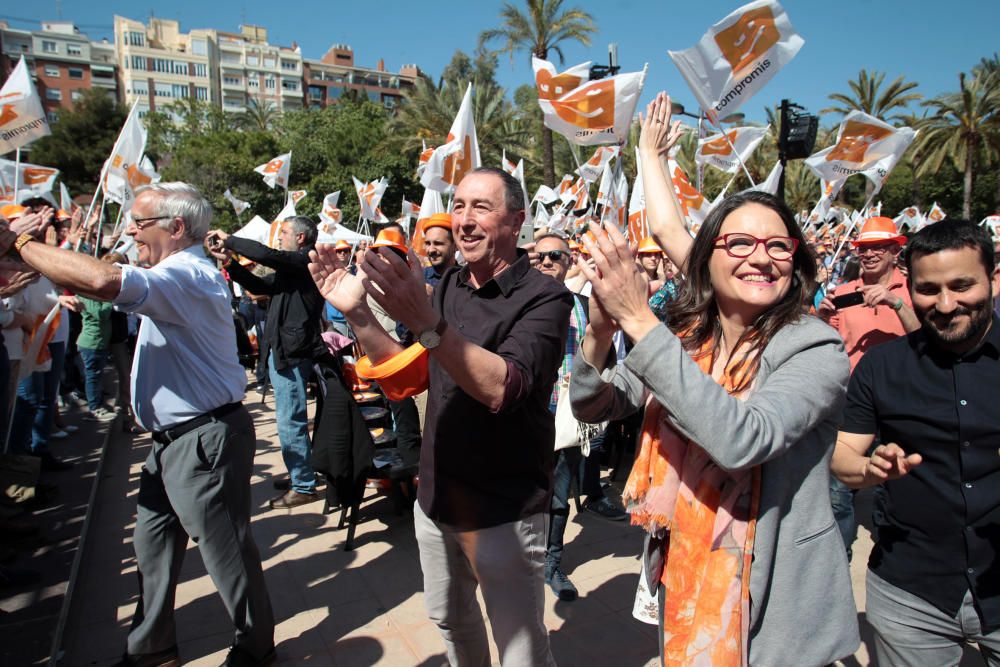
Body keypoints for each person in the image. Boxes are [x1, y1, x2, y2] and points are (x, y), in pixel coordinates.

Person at [569, 92, 858, 666]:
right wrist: (601, 334)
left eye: (779, 245)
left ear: (797, 264)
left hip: (772, 595)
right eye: (741, 243)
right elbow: (595, 405)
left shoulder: (815, 347)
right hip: (683, 565)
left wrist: (639, 318)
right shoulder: (688, 340)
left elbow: (741, 439)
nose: (762, 257)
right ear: (708, 261)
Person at [309, 167, 571, 666]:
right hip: (435, 499)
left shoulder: (545, 297)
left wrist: (426, 322)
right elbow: (407, 379)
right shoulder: (450, 282)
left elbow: (503, 388)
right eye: (459, 206)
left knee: (520, 649)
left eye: (481, 208)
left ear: (517, 222)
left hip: (505, 509)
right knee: (451, 620)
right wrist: (359, 314)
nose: (464, 222)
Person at [7, 182, 274, 666]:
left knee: (226, 554)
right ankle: (152, 648)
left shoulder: (186, 275)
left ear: (175, 228)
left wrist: (21, 244)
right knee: (151, 550)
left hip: (201, 440)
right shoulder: (176, 272)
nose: (130, 230)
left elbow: (106, 282)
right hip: (173, 442)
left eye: (139, 222)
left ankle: (256, 649)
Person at [831, 219, 1000, 666]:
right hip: (911, 593)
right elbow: (843, 455)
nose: (946, 304)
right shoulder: (881, 366)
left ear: (993, 279)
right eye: (929, 290)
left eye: (962, 285)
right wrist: (870, 469)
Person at [817, 216, 921, 560]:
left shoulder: (916, 290)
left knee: (895, 484)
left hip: (902, 402)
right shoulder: (845, 293)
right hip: (851, 402)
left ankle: (894, 556)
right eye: (863, 248)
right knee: (838, 488)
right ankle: (838, 556)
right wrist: (821, 319)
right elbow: (828, 345)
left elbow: (926, 339)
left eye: (877, 248)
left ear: (895, 251)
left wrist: (895, 303)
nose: (869, 254)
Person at [208, 216, 326, 509]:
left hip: (293, 351)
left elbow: (265, 255)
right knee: (288, 419)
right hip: (282, 349)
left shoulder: (305, 261)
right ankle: (302, 472)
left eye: (284, 232)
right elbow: (257, 285)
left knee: (290, 421)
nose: (279, 237)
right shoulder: (290, 270)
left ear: (300, 238)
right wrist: (230, 263)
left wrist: (231, 239)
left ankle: (304, 485)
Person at [421, 213, 457, 289]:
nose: (431, 250)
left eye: (438, 243)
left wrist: (433, 296)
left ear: (456, 246)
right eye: (428, 243)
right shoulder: (418, 278)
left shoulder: (469, 279)